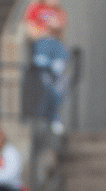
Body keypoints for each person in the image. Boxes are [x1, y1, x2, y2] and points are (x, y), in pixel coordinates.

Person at [24, 0, 69, 131]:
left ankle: (48, 117)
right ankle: (52, 118)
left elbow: (61, 32)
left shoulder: (59, 11)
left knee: (57, 86)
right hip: (42, 50)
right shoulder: (35, 8)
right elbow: (32, 33)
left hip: (57, 52)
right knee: (48, 85)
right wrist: (48, 30)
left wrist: (50, 28)